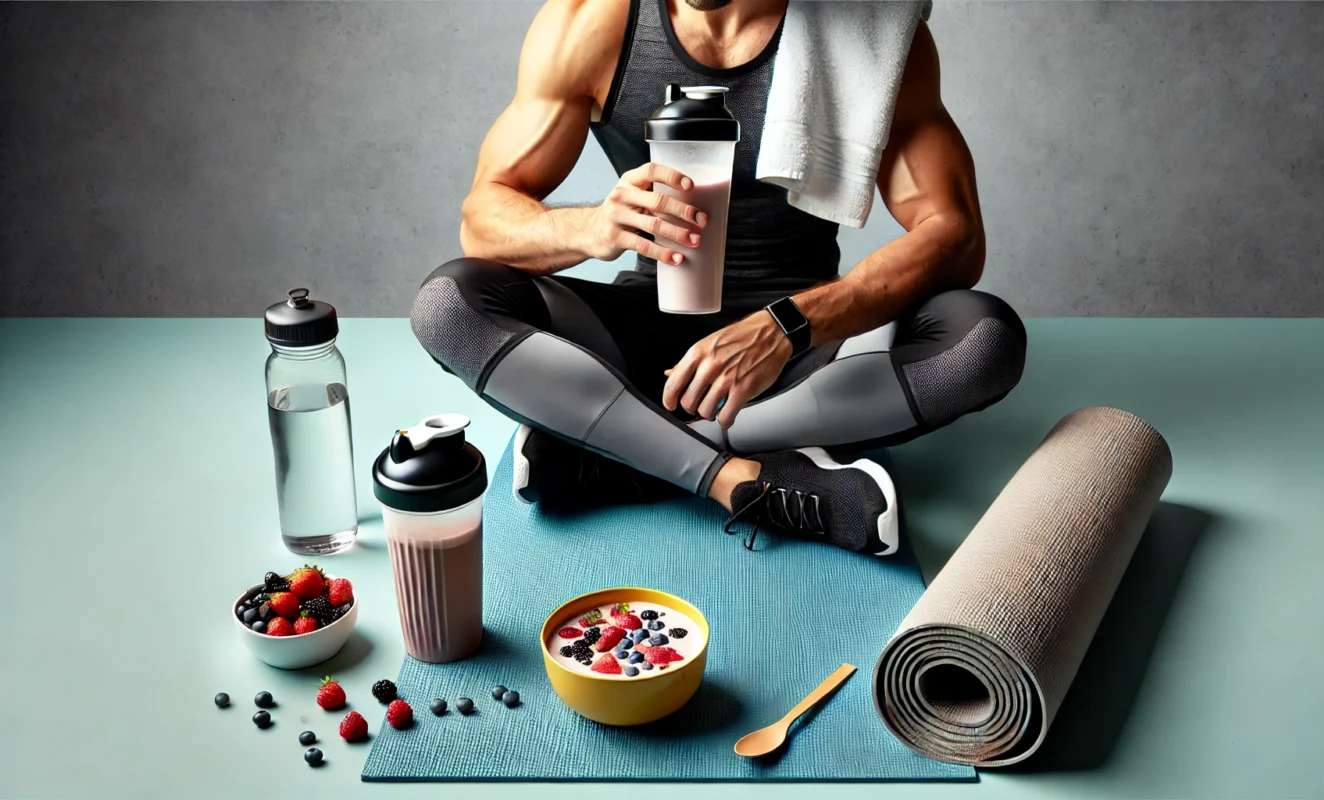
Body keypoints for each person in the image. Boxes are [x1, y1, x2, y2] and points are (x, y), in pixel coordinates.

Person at [411, 0, 1027, 557]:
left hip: (799, 350)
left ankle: (613, 442)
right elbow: (483, 219)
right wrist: (592, 228)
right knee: (449, 305)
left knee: (984, 339)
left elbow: (954, 235)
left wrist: (789, 325)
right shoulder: (592, 22)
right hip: (637, 338)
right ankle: (735, 479)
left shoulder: (873, 35)